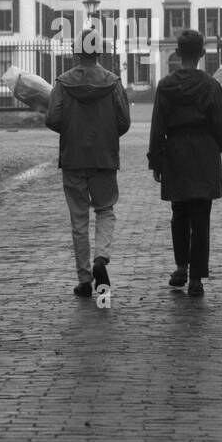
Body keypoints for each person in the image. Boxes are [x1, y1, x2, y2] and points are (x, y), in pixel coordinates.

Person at [45, 26, 131, 298]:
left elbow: (52, 119)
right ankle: (101, 259)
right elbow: (124, 121)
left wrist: (72, 129)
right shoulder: (113, 82)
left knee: (79, 218)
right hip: (104, 157)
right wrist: (106, 132)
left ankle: (84, 280)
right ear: (100, 52)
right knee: (105, 209)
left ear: (75, 52)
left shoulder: (63, 83)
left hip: (73, 157)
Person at [148, 29, 222, 298]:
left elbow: (157, 125)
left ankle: (181, 266)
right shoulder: (211, 86)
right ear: (201, 54)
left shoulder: (165, 85)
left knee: (179, 214)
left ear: (177, 52)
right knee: (201, 217)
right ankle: (196, 277)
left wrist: (156, 159)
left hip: (175, 151)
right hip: (203, 152)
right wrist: (214, 147)